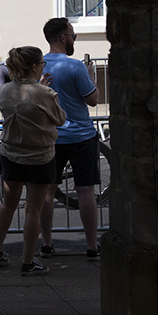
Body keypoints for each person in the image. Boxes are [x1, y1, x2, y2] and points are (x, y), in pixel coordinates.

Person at [0, 46, 66, 276]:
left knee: (7, 204)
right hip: (40, 156)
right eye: (42, 62)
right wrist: (43, 88)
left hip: (12, 154)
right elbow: (60, 119)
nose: (44, 65)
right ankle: (28, 261)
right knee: (33, 210)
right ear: (34, 66)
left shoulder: (8, 90)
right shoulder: (45, 93)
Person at [39, 17, 102, 259]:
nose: (74, 39)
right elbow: (93, 99)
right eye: (73, 35)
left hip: (51, 136)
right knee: (85, 190)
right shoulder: (75, 66)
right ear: (63, 38)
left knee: (48, 190)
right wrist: (90, 76)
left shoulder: (38, 65)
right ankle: (91, 246)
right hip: (81, 135)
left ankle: (46, 243)